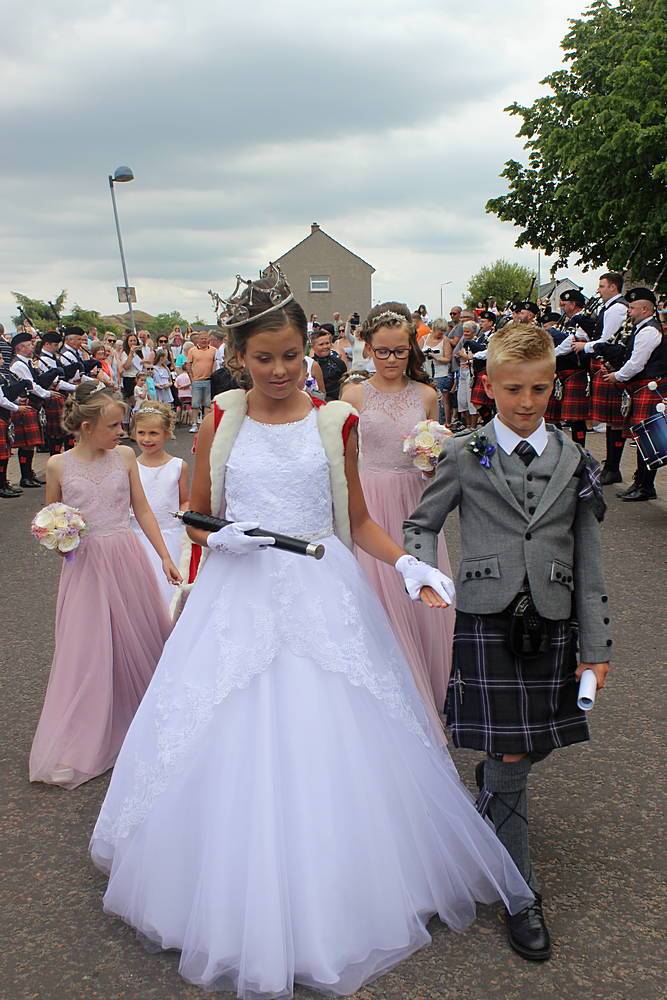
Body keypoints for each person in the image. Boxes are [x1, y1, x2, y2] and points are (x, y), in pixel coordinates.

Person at [91, 270, 532, 999]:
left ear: (308, 352)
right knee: (221, 725)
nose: (278, 370)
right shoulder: (220, 419)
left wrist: (407, 566)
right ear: (239, 358)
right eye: (263, 358)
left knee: (337, 728)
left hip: (322, 586)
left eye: (290, 355)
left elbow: (354, 521)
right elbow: (198, 510)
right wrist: (217, 536)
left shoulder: (335, 422)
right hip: (237, 594)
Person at [405, 323, 611, 962]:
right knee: (514, 757)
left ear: (554, 384)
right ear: (487, 384)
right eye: (513, 388)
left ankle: (494, 785)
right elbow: (421, 523)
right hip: (487, 617)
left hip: (551, 621)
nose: (527, 401)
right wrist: (419, 570)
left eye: (540, 388)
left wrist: (597, 646)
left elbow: (588, 552)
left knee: (529, 746)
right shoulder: (465, 454)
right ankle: (520, 895)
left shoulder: (574, 459)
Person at [29, 383, 181, 789]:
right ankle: (84, 736)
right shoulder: (59, 466)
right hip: (85, 565)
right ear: (85, 425)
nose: (122, 432)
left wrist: (165, 555)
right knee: (88, 647)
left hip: (125, 556)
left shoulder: (125, 457)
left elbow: (143, 510)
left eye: (122, 424)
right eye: (114, 425)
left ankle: (146, 719)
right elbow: (52, 515)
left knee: (139, 636)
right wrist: (58, 540)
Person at [341, 303, 455, 726]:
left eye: (400, 352)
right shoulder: (352, 396)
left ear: (412, 350)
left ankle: (423, 694)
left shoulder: (427, 396)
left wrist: (432, 457)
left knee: (418, 596)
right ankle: (381, 701)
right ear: (368, 349)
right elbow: (344, 457)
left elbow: (438, 456)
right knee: (375, 594)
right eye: (383, 351)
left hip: (413, 498)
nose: (391, 360)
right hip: (369, 499)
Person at [604, 287, 666, 502]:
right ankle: (641, 482)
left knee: (647, 438)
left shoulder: (649, 331)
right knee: (642, 437)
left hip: (650, 387)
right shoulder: (641, 328)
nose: (628, 311)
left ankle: (646, 485)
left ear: (645, 308)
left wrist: (617, 376)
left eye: (631, 307)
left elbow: (637, 363)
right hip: (643, 387)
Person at [131, 401, 190, 605]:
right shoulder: (130, 467)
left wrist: (186, 512)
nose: (146, 439)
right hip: (137, 535)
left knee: (167, 593)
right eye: (141, 433)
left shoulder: (178, 466)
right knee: (139, 594)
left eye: (153, 433)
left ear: (166, 433)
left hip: (170, 535)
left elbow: (183, 499)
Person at [573, 273, 628, 484]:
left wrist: (584, 346)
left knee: (615, 421)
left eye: (602, 286)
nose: (598, 290)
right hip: (603, 365)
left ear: (613, 288)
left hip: (610, 366)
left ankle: (613, 468)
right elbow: (598, 335)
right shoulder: (608, 308)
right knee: (611, 421)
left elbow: (606, 341)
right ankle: (611, 466)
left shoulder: (616, 309)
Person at [552, 290, 596, 447]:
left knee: (576, 418)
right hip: (564, 373)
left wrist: (551, 354)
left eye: (564, 304)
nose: (562, 307)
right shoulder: (569, 320)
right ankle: (566, 449)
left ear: (573, 304)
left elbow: (571, 342)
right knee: (567, 417)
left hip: (576, 372)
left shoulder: (583, 320)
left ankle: (580, 451)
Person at [0, 353, 37, 496]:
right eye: (0, 358)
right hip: (1, 416)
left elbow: (6, 395)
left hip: (4, 416)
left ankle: (3, 483)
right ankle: (1, 485)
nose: (3, 361)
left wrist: (16, 401)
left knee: (4, 454)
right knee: (1, 456)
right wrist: (17, 408)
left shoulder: (3, 376)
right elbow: (1, 400)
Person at [419, 317, 454, 424]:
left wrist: (435, 356)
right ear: (434, 328)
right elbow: (417, 355)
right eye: (440, 330)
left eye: (444, 331)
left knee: (442, 401)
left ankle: (444, 423)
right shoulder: (424, 339)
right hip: (427, 373)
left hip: (441, 374)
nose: (442, 333)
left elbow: (448, 358)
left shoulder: (445, 340)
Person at [185, 332, 217, 432]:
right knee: (195, 403)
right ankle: (194, 424)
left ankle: (205, 424)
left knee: (207, 404)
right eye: (202, 338)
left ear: (209, 339)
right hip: (196, 381)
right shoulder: (192, 350)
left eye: (205, 338)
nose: (204, 340)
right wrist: (191, 378)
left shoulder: (214, 350)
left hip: (209, 380)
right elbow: (188, 365)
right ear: (198, 340)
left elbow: (216, 363)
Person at [309, 328, 347, 400]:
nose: (325, 347)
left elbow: (345, 384)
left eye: (327, 343)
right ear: (313, 347)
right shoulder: (309, 365)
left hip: (338, 402)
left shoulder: (339, 362)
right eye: (321, 344)